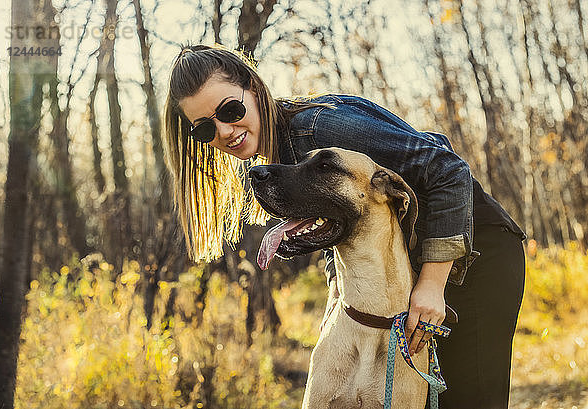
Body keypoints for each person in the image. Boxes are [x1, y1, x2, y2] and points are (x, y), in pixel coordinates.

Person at [162, 44, 526, 409]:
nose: (225, 131)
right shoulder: (283, 151)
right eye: (206, 128)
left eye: (230, 110)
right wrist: (336, 297)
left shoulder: (318, 129)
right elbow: (344, 226)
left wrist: (432, 284)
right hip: (418, 273)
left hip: (480, 257)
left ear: (254, 89)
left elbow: (448, 168)